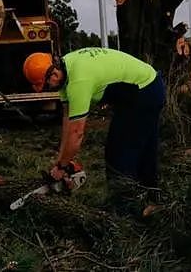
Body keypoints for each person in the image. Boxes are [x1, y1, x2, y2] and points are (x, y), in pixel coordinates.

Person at [23, 47, 166, 211]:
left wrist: (62, 168)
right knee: (144, 148)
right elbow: (68, 121)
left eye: (47, 85)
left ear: (53, 74)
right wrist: (61, 161)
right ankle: (152, 200)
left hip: (143, 93)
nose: (48, 89)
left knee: (119, 153)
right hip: (146, 87)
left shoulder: (78, 81)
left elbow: (77, 133)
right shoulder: (66, 68)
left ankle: (124, 211)